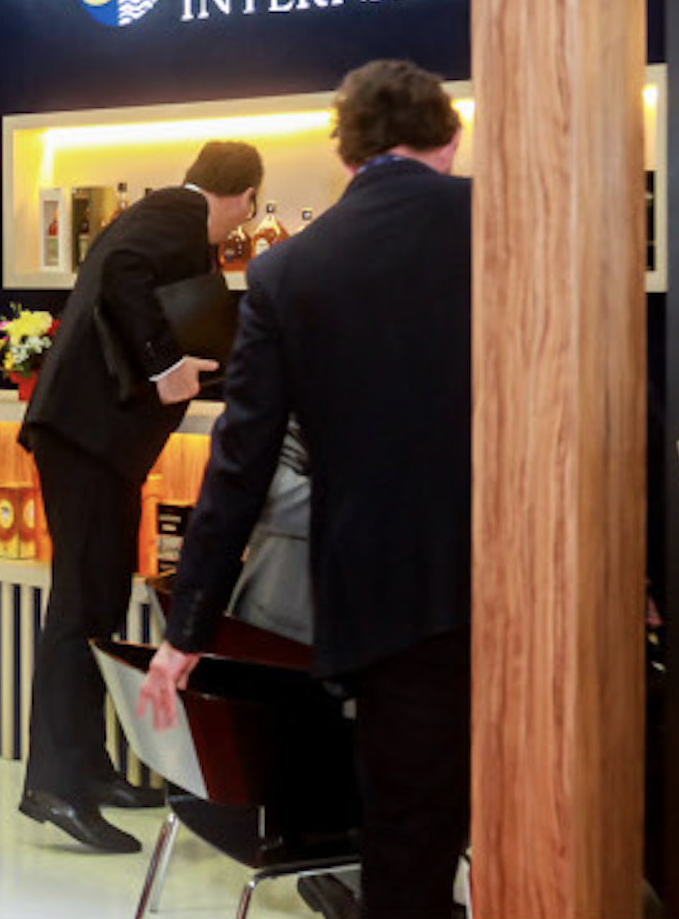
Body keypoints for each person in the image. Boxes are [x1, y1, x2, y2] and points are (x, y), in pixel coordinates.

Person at [141, 59, 473, 918]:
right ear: (449, 139)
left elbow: (240, 463)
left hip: (384, 606)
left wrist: (186, 632)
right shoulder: (509, 226)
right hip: (524, 585)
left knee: (406, 847)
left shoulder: (290, 272)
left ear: (346, 155)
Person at [17, 139, 263, 853]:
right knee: (78, 610)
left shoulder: (168, 219)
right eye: (247, 212)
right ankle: (54, 785)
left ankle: (88, 768)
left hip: (99, 448)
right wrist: (165, 364)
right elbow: (123, 270)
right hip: (86, 444)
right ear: (245, 197)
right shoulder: (177, 217)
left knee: (96, 607)